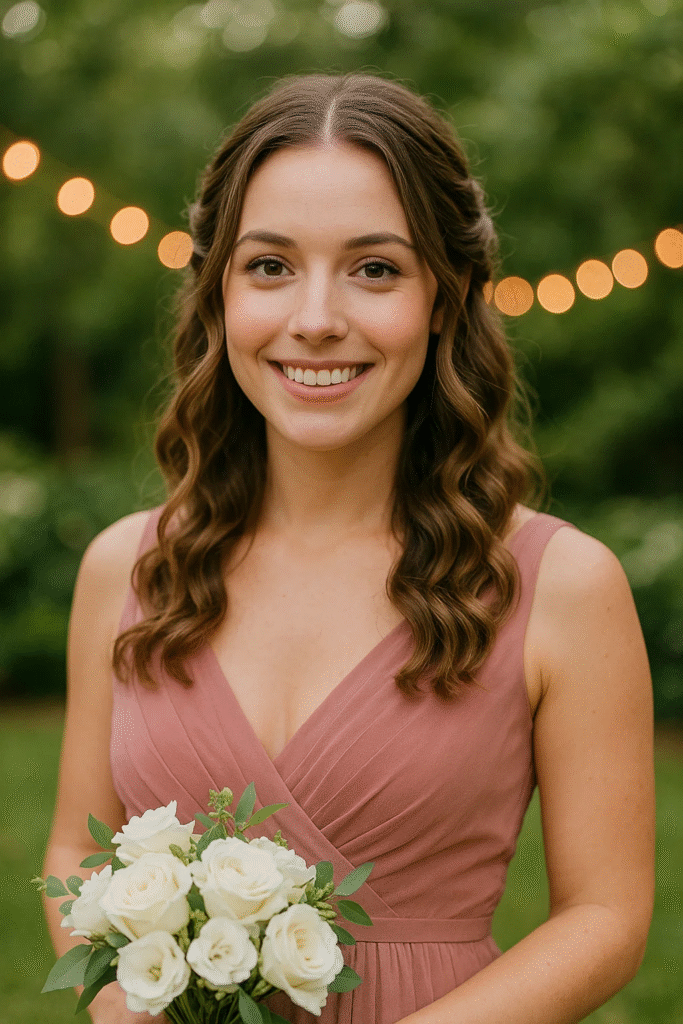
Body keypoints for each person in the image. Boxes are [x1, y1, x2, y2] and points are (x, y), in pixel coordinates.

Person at [43, 72, 654, 1024]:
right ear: (217, 294)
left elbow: (607, 915)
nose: (316, 316)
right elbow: (75, 852)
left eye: (374, 268)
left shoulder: (561, 585)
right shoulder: (125, 570)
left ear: (446, 297)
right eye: (270, 266)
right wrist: (120, 997)